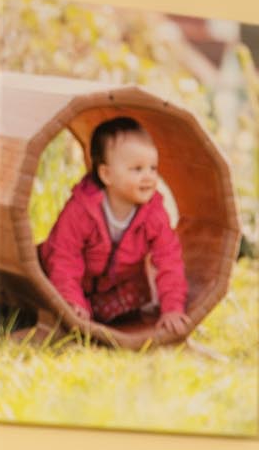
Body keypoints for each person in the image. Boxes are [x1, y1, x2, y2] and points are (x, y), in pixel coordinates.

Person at [38, 115, 191, 340]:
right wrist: (72, 300)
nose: (148, 176)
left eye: (153, 168)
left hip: (115, 286)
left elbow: (169, 260)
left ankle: (98, 314)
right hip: (70, 279)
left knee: (134, 301)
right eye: (137, 169)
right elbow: (64, 256)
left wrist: (173, 308)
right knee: (55, 299)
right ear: (106, 174)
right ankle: (74, 306)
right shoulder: (82, 210)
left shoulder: (154, 214)